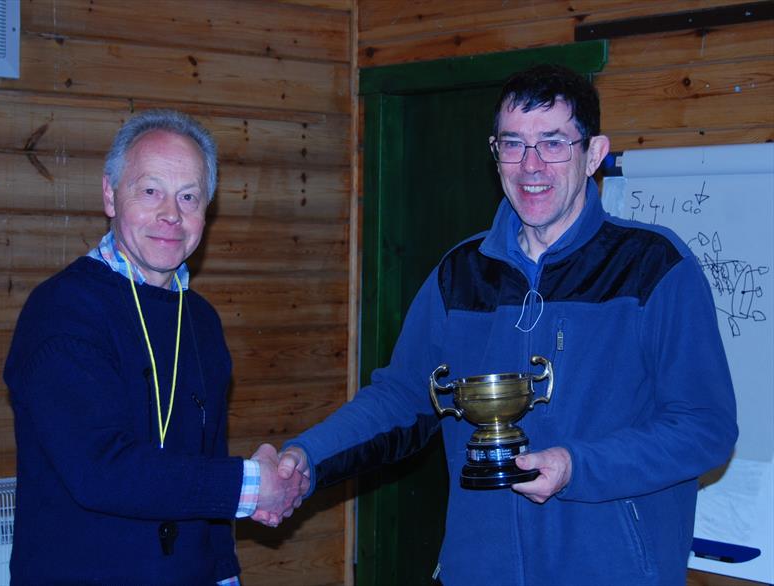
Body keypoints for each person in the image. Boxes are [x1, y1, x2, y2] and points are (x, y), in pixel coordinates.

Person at [274, 64, 738, 585]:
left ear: (594, 154)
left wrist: (577, 467)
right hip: (478, 571)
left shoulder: (655, 266)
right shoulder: (460, 273)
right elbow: (402, 399)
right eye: (513, 144)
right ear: (495, 153)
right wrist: (306, 457)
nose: (531, 166)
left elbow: (705, 427)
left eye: (554, 143)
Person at [4, 110, 306, 585]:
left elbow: (206, 467)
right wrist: (252, 486)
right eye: (151, 191)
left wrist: (225, 574)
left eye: (189, 196)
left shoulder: (201, 320)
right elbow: (100, 470)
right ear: (109, 194)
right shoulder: (62, 311)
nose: (172, 214)